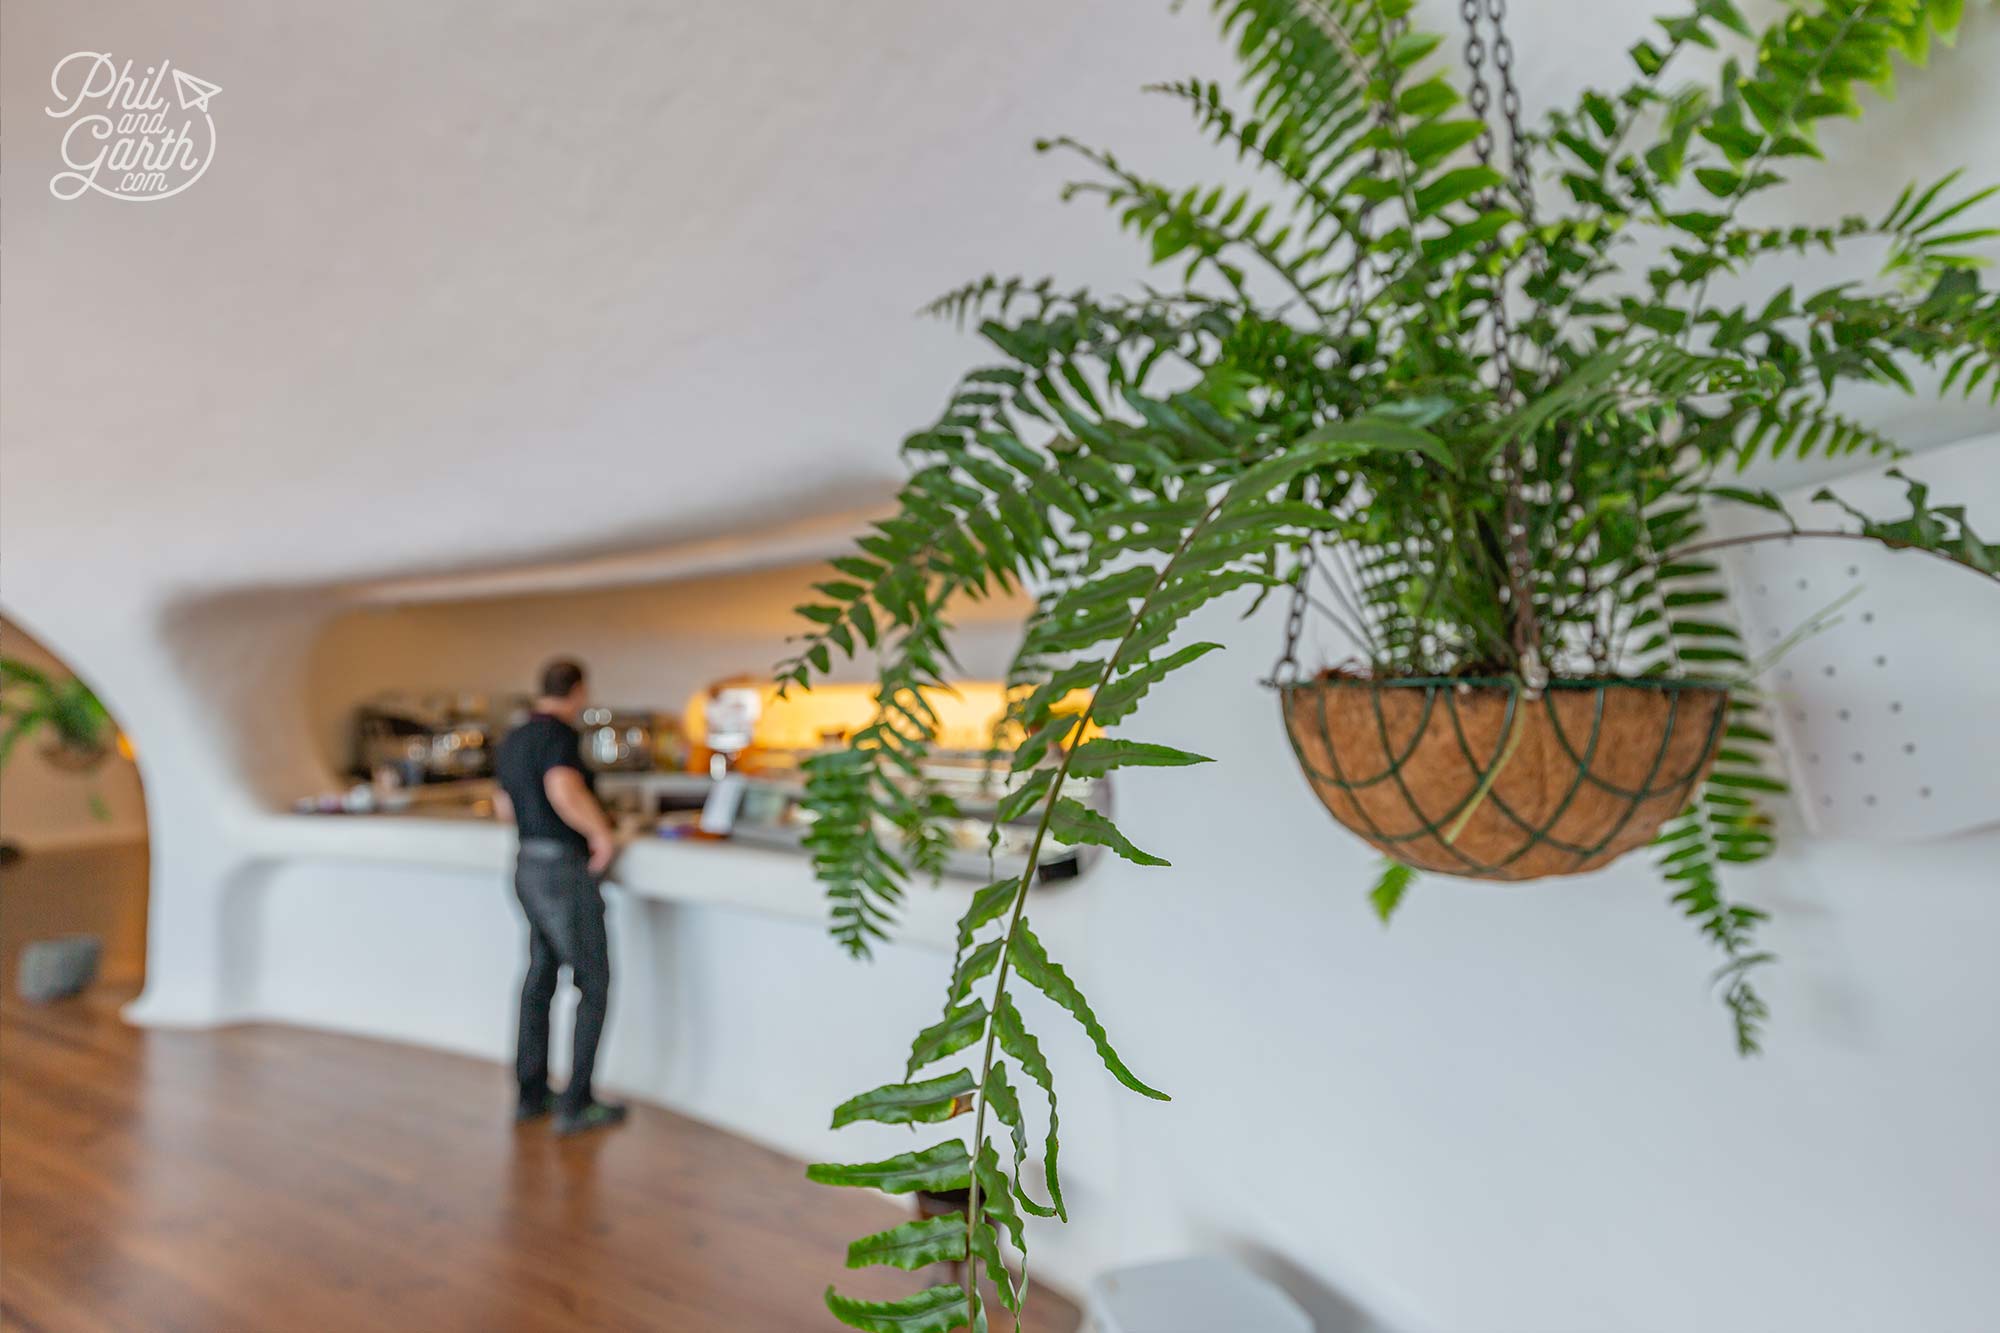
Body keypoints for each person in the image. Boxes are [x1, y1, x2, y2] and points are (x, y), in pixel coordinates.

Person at [492, 658, 627, 1136]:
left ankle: (531, 1093)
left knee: (539, 978)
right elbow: (563, 787)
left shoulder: (515, 737)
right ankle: (577, 1102)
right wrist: (602, 833)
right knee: (593, 983)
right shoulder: (559, 736)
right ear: (578, 689)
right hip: (562, 871)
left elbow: (504, 805)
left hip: (526, 864)